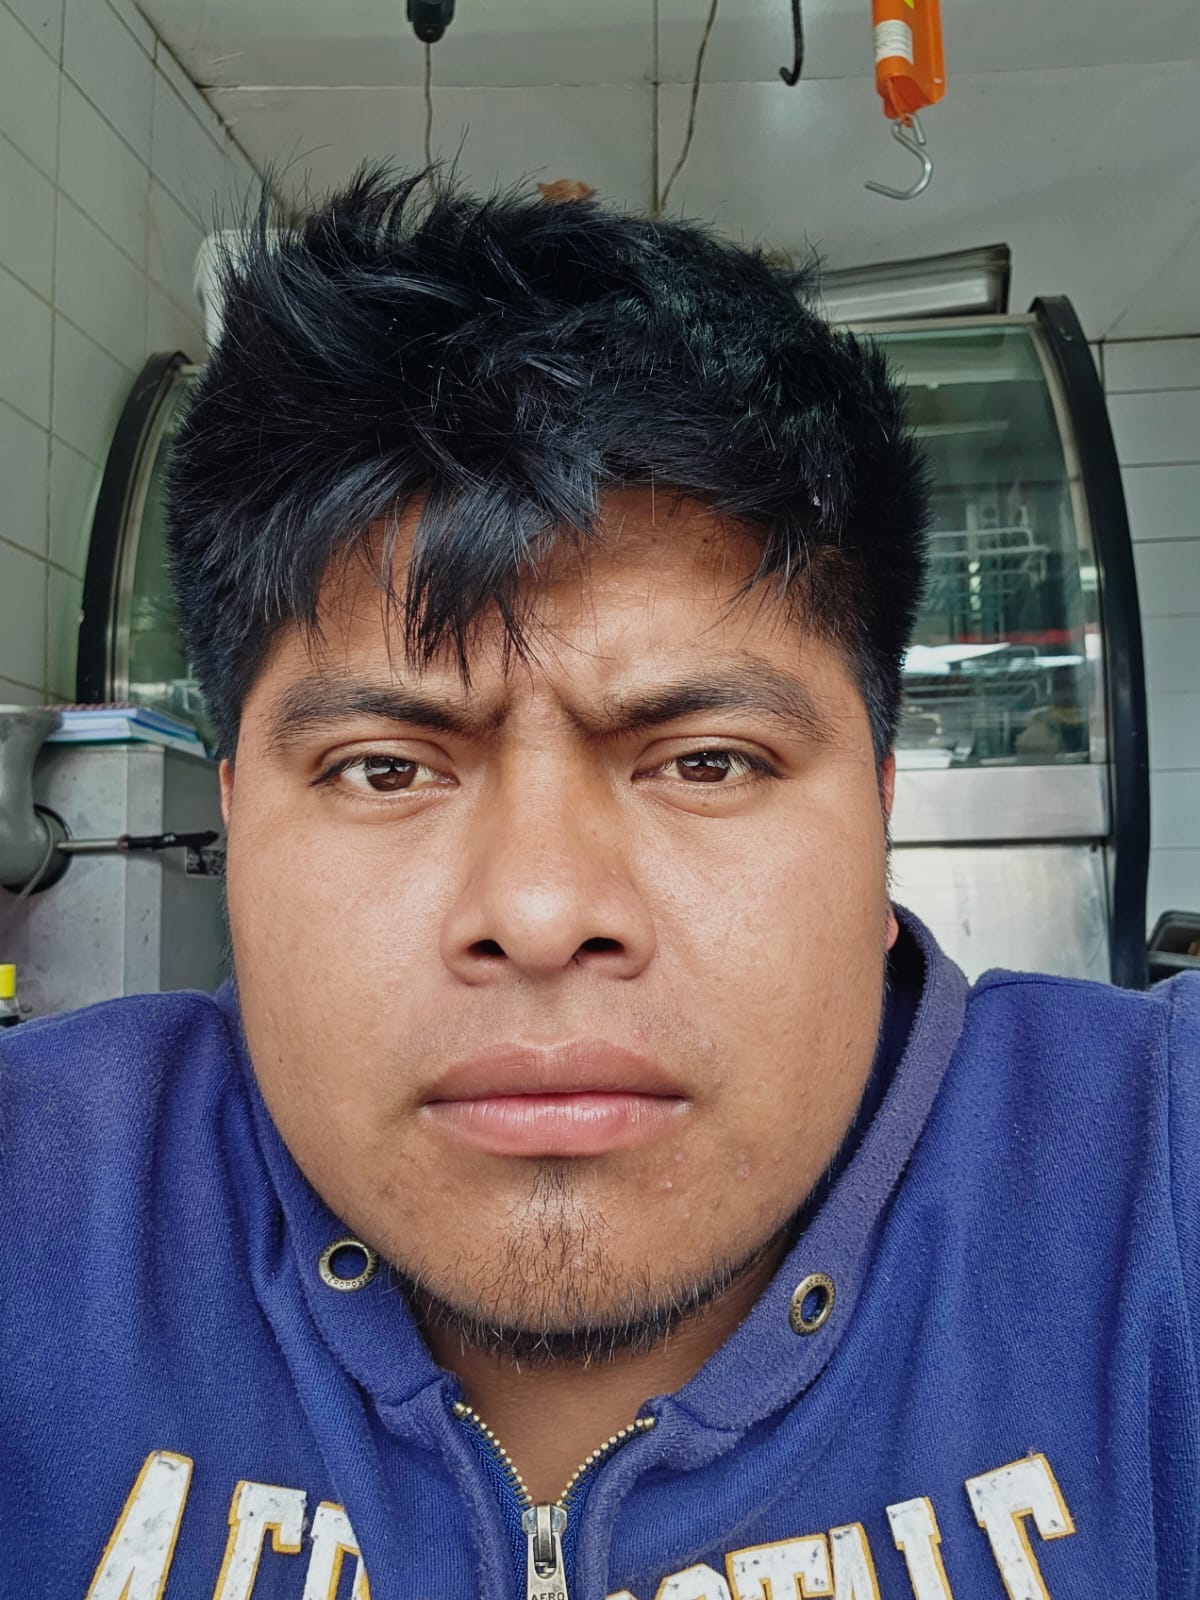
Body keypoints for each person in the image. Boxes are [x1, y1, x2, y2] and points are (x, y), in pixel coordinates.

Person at [1, 169, 1196, 1600]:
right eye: (385, 768)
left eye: (707, 761)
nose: (543, 911)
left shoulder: (1153, 1190)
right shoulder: (42, 1205)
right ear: (238, 816)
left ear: (880, 812)